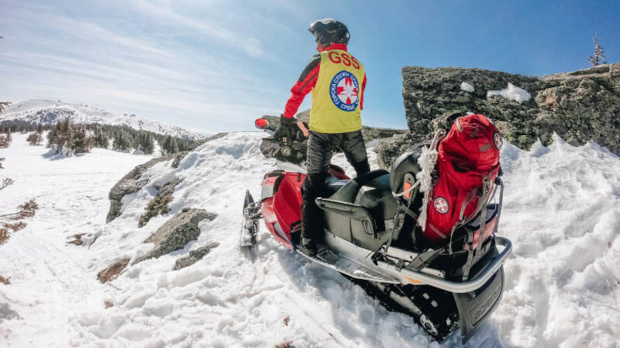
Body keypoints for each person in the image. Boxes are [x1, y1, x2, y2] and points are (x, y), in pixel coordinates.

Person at [274, 18, 370, 256]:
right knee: (367, 178)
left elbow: (300, 90)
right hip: (353, 132)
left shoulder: (322, 59)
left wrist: (286, 118)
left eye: (318, 35)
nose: (316, 40)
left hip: (323, 134)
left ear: (329, 36)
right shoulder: (358, 66)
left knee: (312, 187)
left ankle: (309, 242)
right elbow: (359, 101)